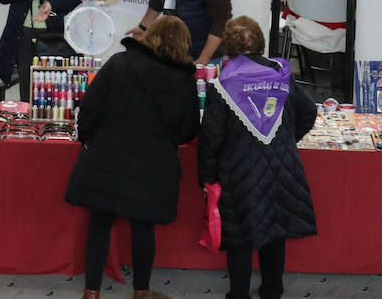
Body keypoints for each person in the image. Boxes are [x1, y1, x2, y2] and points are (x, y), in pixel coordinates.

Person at [65, 15, 199, 299]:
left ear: (151, 35)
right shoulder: (184, 80)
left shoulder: (120, 63)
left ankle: (91, 291)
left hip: (106, 157)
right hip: (153, 164)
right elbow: (188, 130)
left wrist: (88, 139)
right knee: (143, 228)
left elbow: (89, 108)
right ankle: (141, 291)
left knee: (99, 223)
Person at [198, 16, 317, 299]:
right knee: (274, 234)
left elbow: (211, 139)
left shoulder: (223, 84)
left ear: (228, 46)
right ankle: (272, 291)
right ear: (261, 42)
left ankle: (239, 294)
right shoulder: (282, 75)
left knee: (239, 240)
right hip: (282, 168)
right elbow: (309, 112)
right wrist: (287, 141)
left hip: (239, 173)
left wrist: (207, 178)